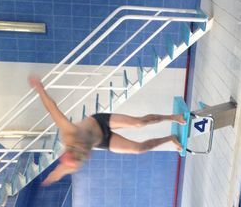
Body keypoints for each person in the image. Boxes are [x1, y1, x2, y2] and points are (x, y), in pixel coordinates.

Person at [28, 74, 185, 185]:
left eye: (81, 149)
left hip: (99, 122)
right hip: (103, 141)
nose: (84, 150)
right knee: (138, 149)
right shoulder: (73, 164)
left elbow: (52, 109)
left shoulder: (69, 132)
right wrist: (50, 179)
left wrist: (40, 89)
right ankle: (171, 138)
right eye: (83, 153)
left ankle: (173, 117)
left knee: (139, 123)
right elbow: (57, 173)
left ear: (73, 146)